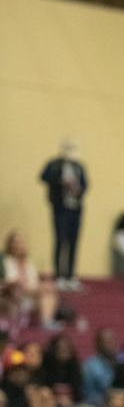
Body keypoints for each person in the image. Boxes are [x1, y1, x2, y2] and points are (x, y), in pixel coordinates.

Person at [39, 140, 88, 289]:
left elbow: (86, 185)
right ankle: (59, 274)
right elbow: (43, 177)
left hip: (75, 208)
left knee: (73, 241)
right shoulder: (54, 164)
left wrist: (77, 188)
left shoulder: (79, 166)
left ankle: (70, 275)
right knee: (60, 239)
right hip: (60, 208)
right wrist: (61, 181)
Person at [2, 230, 60, 331]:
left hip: (29, 294)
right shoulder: (5, 262)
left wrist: (44, 285)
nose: (19, 246)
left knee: (49, 292)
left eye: (21, 242)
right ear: (10, 244)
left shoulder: (29, 265)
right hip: (13, 294)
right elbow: (9, 281)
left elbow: (34, 283)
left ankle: (47, 321)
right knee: (41, 288)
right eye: (16, 242)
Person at [82, 327, 120, 406]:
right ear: (98, 344)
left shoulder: (120, 363)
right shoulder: (90, 366)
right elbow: (88, 394)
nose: (112, 344)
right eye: (107, 341)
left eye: (113, 340)